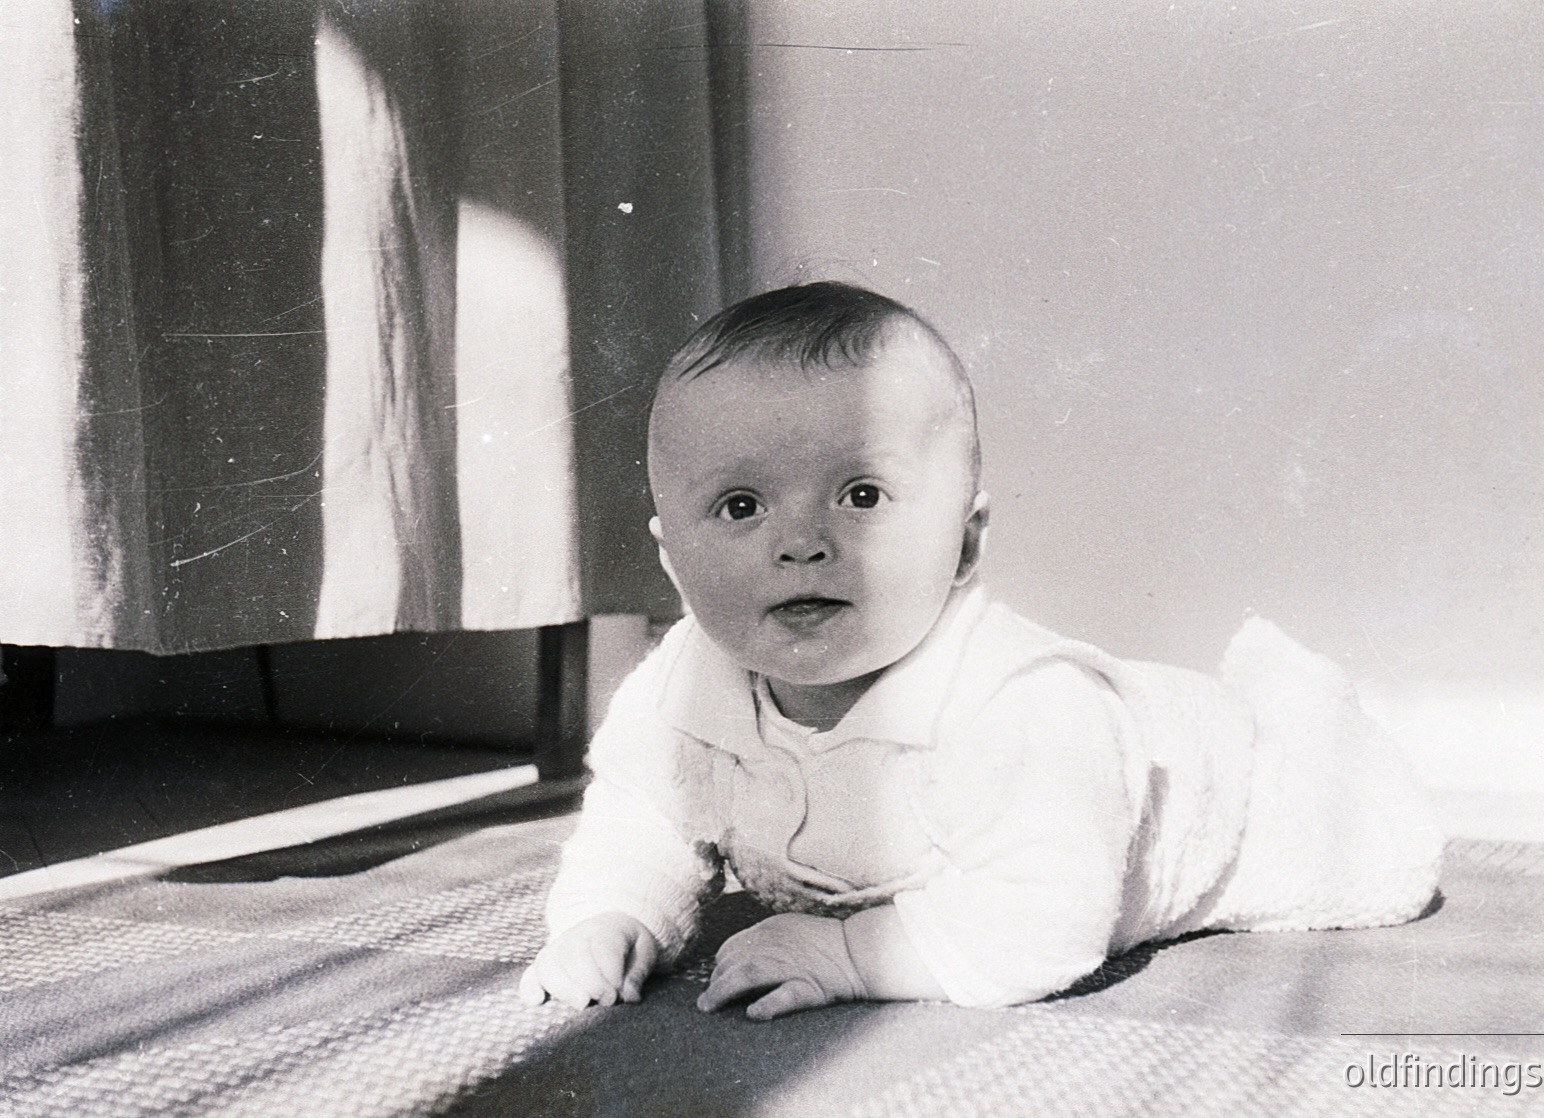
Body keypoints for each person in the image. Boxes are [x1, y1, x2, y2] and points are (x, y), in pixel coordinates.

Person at [519, 281, 1441, 1020]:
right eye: (740, 506)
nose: (800, 544)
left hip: (1227, 803)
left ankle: (1298, 711)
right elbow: (643, 817)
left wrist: (851, 954)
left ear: (964, 543)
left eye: (862, 495)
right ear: (671, 560)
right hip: (1116, 754)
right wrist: (613, 912)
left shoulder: (1020, 707)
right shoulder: (680, 688)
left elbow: (1050, 919)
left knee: (1380, 859)